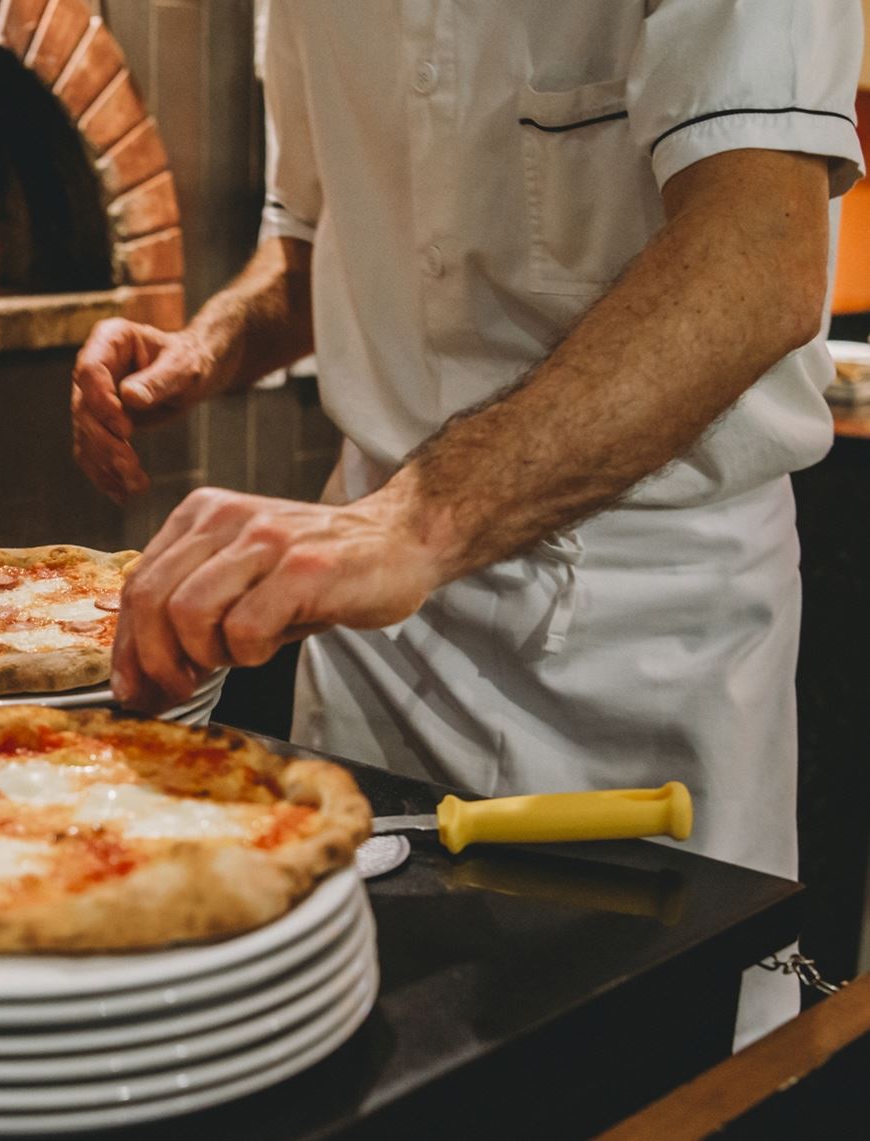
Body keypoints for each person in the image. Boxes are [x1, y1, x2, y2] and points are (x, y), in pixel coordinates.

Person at [71, 1, 864, 1047]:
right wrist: (207, 347)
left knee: (635, 1070)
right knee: (353, 1048)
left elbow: (757, 254)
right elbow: (310, 246)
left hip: (638, 633)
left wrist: (414, 520)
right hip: (372, 639)